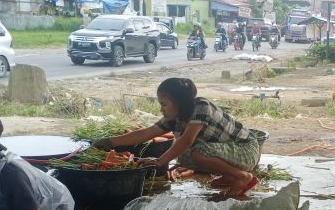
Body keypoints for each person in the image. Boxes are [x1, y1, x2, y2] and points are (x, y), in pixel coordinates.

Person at [93, 78, 261, 197]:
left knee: (198, 152)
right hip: (230, 151)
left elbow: (186, 140)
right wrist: (109, 142)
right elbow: (146, 133)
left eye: (164, 104)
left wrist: (160, 161)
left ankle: (242, 176)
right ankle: (230, 175)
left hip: (246, 149)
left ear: (178, 102)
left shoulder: (201, 106)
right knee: (185, 157)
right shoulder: (176, 117)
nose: (162, 110)